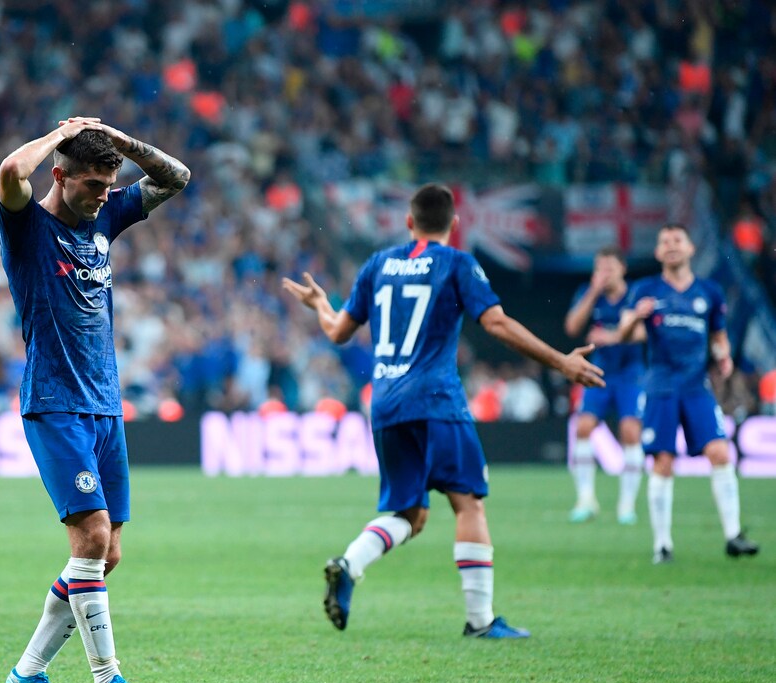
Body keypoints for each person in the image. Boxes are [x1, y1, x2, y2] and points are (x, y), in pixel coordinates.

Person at [282, 183, 604, 638]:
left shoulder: (378, 264)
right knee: (467, 502)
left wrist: (320, 304)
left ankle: (349, 564)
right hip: (436, 400)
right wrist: (561, 362)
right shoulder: (457, 263)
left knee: (411, 514)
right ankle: (480, 621)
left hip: (386, 403)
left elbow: (337, 332)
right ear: (455, 224)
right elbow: (495, 323)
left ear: (408, 222)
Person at [0, 117, 189, 683]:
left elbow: (177, 177)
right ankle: (109, 681)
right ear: (60, 175)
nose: (104, 196)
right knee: (92, 535)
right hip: (55, 402)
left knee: (105, 555)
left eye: (110, 185)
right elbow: (10, 170)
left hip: (105, 404)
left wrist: (123, 144)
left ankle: (29, 674)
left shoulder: (104, 216)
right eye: (92, 185)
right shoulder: (28, 226)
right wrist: (62, 134)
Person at [607, 223, 759, 563]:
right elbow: (623, 333)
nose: (671, 246)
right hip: (661, 387)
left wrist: (724, 356)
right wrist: (635, 318)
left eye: (677, 240)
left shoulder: (709, 292)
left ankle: (733, 535)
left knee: (720, 452)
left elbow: (718, 336)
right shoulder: (645, 289)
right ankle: (662, 545)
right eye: (665, 242)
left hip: (696, 387)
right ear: (658, 252)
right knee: (663, 461)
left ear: (691, 248)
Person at [562, 246, 644, 525]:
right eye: (599, 268)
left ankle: (626, 505)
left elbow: (645, 332)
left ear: (623, 268)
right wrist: (593, 292)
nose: (604, 274)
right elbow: (572, 327)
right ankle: (585, 499)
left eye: (609, 268)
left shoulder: (635, 294)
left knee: (630, 431)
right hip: (598, 371)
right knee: (583, 427)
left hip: (631, 373)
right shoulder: (588, 293)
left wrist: (610, 336)